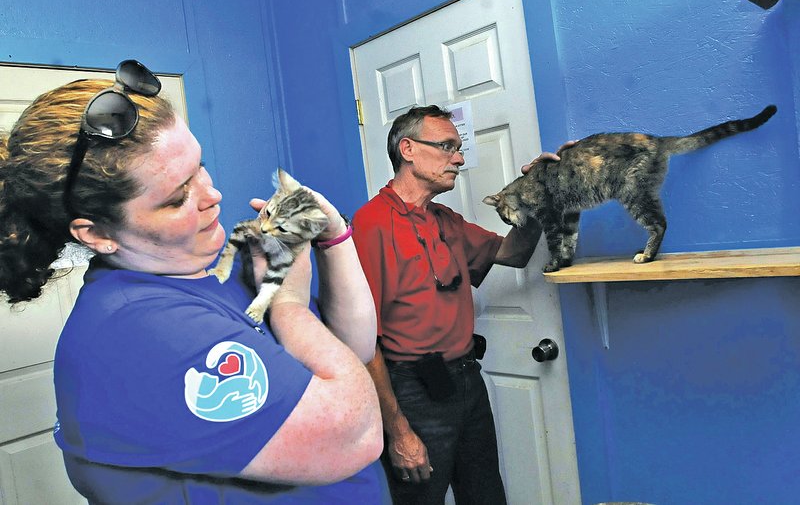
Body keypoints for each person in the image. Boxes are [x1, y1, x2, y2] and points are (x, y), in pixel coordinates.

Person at [0, 60, 389, 503]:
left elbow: (351, 353)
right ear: (98, 234)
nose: (212, 195)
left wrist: (334, 236)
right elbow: (355, 434)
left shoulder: (217, 260)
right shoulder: (136, 328)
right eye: (177, 197)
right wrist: (288, 303)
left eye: (200, 167)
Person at [351, 105, 564, 504]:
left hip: (466, 379)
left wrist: (538, 195)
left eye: (459, 148)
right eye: (447, 146)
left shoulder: (445, 220)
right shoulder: (371, 224)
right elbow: (362, 342)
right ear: (408, 149)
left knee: (485, 495)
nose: (460, 158)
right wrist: (397, 430)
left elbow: (514, 253)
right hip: (412, 391)